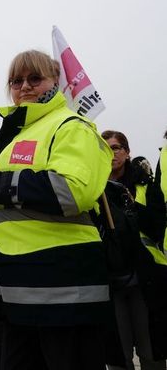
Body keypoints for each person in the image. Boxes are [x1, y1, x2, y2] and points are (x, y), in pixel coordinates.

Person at [0, 50, 112, 370]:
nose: (24, 86)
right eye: (15, 81)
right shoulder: (15, 136)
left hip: (63, 292)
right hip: (18, 292)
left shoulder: (71, 126)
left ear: (56, 81)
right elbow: (6, 211)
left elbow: (72, 192)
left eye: (34, 78)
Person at [100, 130, 167, 370]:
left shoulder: (145, 186)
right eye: (105, 148)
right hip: (111, 283)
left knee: (152, 352)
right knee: (119, 356)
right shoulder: (93, 189)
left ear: (127, 153)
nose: (111, 153)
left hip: (145, 280)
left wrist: (132, 206)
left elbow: (158, 228)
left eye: (116, 147)